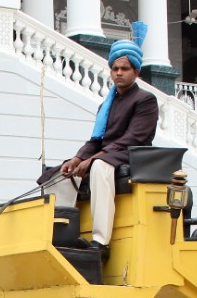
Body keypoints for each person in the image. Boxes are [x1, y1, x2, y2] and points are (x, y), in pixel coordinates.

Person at [40, 22, 158, 262]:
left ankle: (101, 241)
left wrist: (93, 159)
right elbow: (96, 140)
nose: (118, 73)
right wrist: (77, 159)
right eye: (115, 68)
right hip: (106, 153)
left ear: (136, 72)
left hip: (130, 153)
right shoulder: (107, 104)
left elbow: (135, 137)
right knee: (60, 174)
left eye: (124, 68)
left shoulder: (145, 100)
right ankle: (61, 238)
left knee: (100, 167)